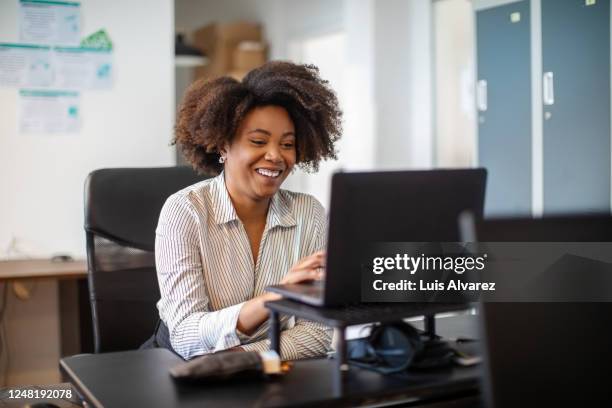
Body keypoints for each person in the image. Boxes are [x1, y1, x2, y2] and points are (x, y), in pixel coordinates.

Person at [155, 61, 343, 360]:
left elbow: (317, 333)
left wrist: (243, 359)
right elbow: (186, 336)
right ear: (223, 145)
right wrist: (276, 297)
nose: (275, 155)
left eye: (288, 144)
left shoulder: (309, 213)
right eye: (258, 141)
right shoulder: (185, 211)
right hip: (183, 369)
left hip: (264, 369)